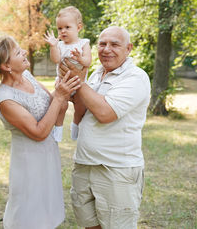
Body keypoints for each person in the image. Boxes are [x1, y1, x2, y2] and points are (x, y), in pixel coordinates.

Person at [0, 35, 81, 229]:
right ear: (7, 66)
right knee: (28, 212)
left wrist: (62, 91)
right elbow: (38, 132)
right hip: (28, 163)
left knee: (46, 208)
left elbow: (53, 104)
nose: (24, 52)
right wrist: (59, 97)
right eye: (18, 52)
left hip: (48, 155)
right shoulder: (6, 99)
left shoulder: (28, 76)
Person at [59, 26, 151, 229]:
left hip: (115, 170)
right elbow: (83, 109)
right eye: (102, 44)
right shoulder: (96, 74)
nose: (106, 49)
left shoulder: (136, 77)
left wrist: (80, 82)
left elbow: (105, 113)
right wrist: (72, 83)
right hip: (84, 165)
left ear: (128, 49)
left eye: (114, 44)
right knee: (90, 226)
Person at [44, 6, 92, 142]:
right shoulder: (59, 45)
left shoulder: (83, 43)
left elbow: (88, 62)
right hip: (63, 82)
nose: (63, 31)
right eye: (59, 28)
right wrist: (53, 46)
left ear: (79, 27)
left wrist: (80, 58)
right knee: (61, 105)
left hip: (78, 83)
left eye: (67, 27)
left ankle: (76, 125)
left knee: (80, 106)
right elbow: (56, 59)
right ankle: (58, 128)